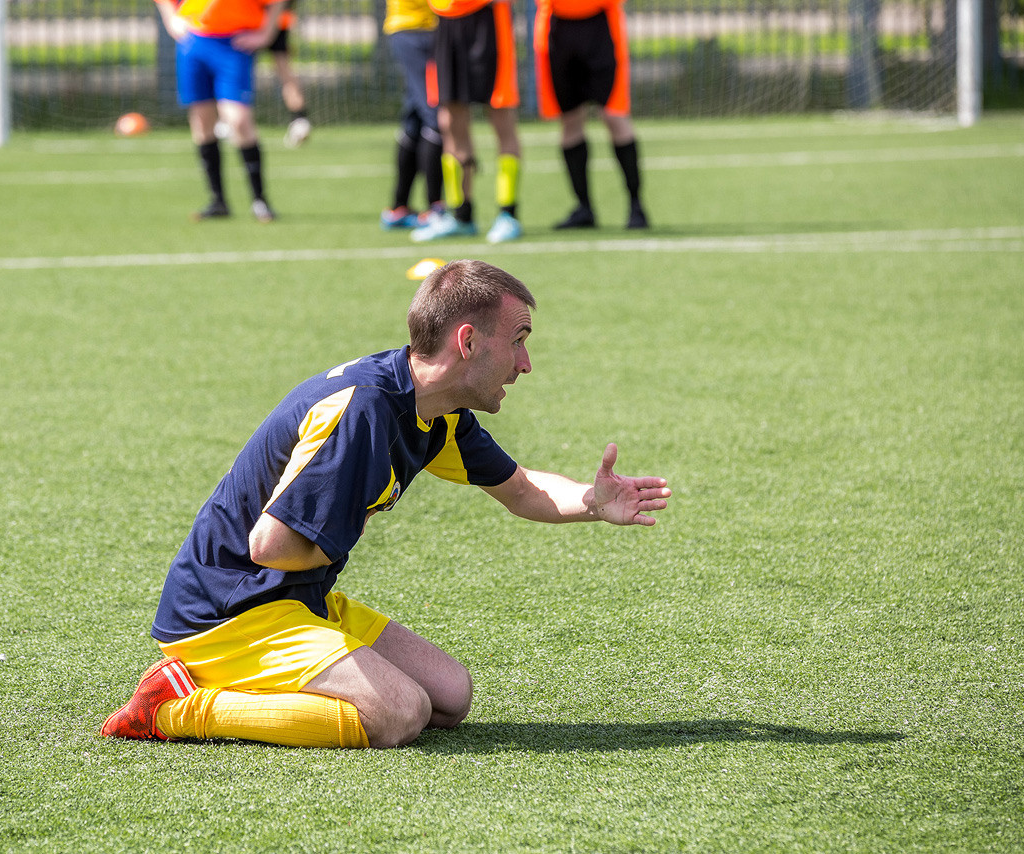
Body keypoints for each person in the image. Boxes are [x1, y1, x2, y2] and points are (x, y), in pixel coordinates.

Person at [101, 260, 672, 750]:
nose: (525, 364)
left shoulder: (437, 412)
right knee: (400, 714)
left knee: (450, 698)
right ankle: (176, 707)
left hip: (297, 601)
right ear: (468, 341)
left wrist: (594, 501)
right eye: (519, 340)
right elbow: (268, 546)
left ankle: (274, 670)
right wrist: (344, 528)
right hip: (228, 612)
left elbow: (522, 490)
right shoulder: (363, 410)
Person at [156, 0, 285, 222]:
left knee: (238, 120)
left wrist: (267, 33)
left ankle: (259, 200)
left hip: (234, 43)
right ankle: (218, 201)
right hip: (194, 41)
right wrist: (170, 18)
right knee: (202, 124)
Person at [410, 0, 524, 244]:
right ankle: (461, 215)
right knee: (450, 121)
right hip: (447, 21)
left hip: (488, 16)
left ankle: (508, 214)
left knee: (501, 114)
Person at [533, 0, 648, 230]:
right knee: (570, 120)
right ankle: (583, 207)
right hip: (557, 25)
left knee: (614, 115)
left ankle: (636, 205)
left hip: (600, 22)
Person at [379, 0, 444, 231]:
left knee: (415, 118)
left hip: (426, 28)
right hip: (411, 29)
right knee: (434, 116)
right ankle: (435, 208)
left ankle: (399, 207)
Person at [264, 0, 313, 148]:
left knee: (235, 68)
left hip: (257, 19)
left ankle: (228, 119)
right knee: (284, 70)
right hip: (278, 19)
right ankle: (300, 121)